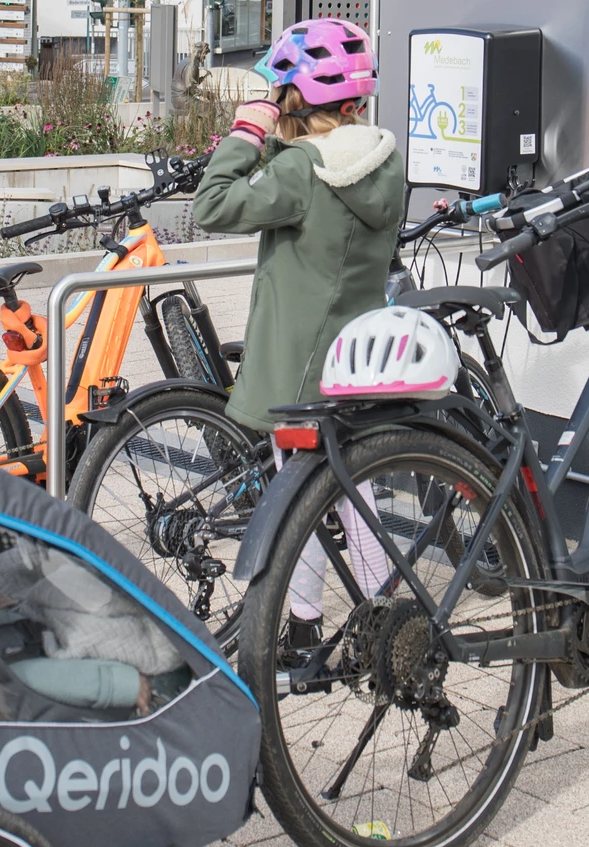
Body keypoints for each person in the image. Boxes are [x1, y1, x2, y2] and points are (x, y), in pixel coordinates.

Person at [193, 18, 405, 640]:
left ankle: (337, 621)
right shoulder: (384, 160)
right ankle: (353, 622)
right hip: (356, 357)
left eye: (279, 93)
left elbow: (211, 205)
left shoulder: (302, 172)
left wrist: (247, 131)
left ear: (295, 99)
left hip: (301, 368)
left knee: (306, 494)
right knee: (347, 490)